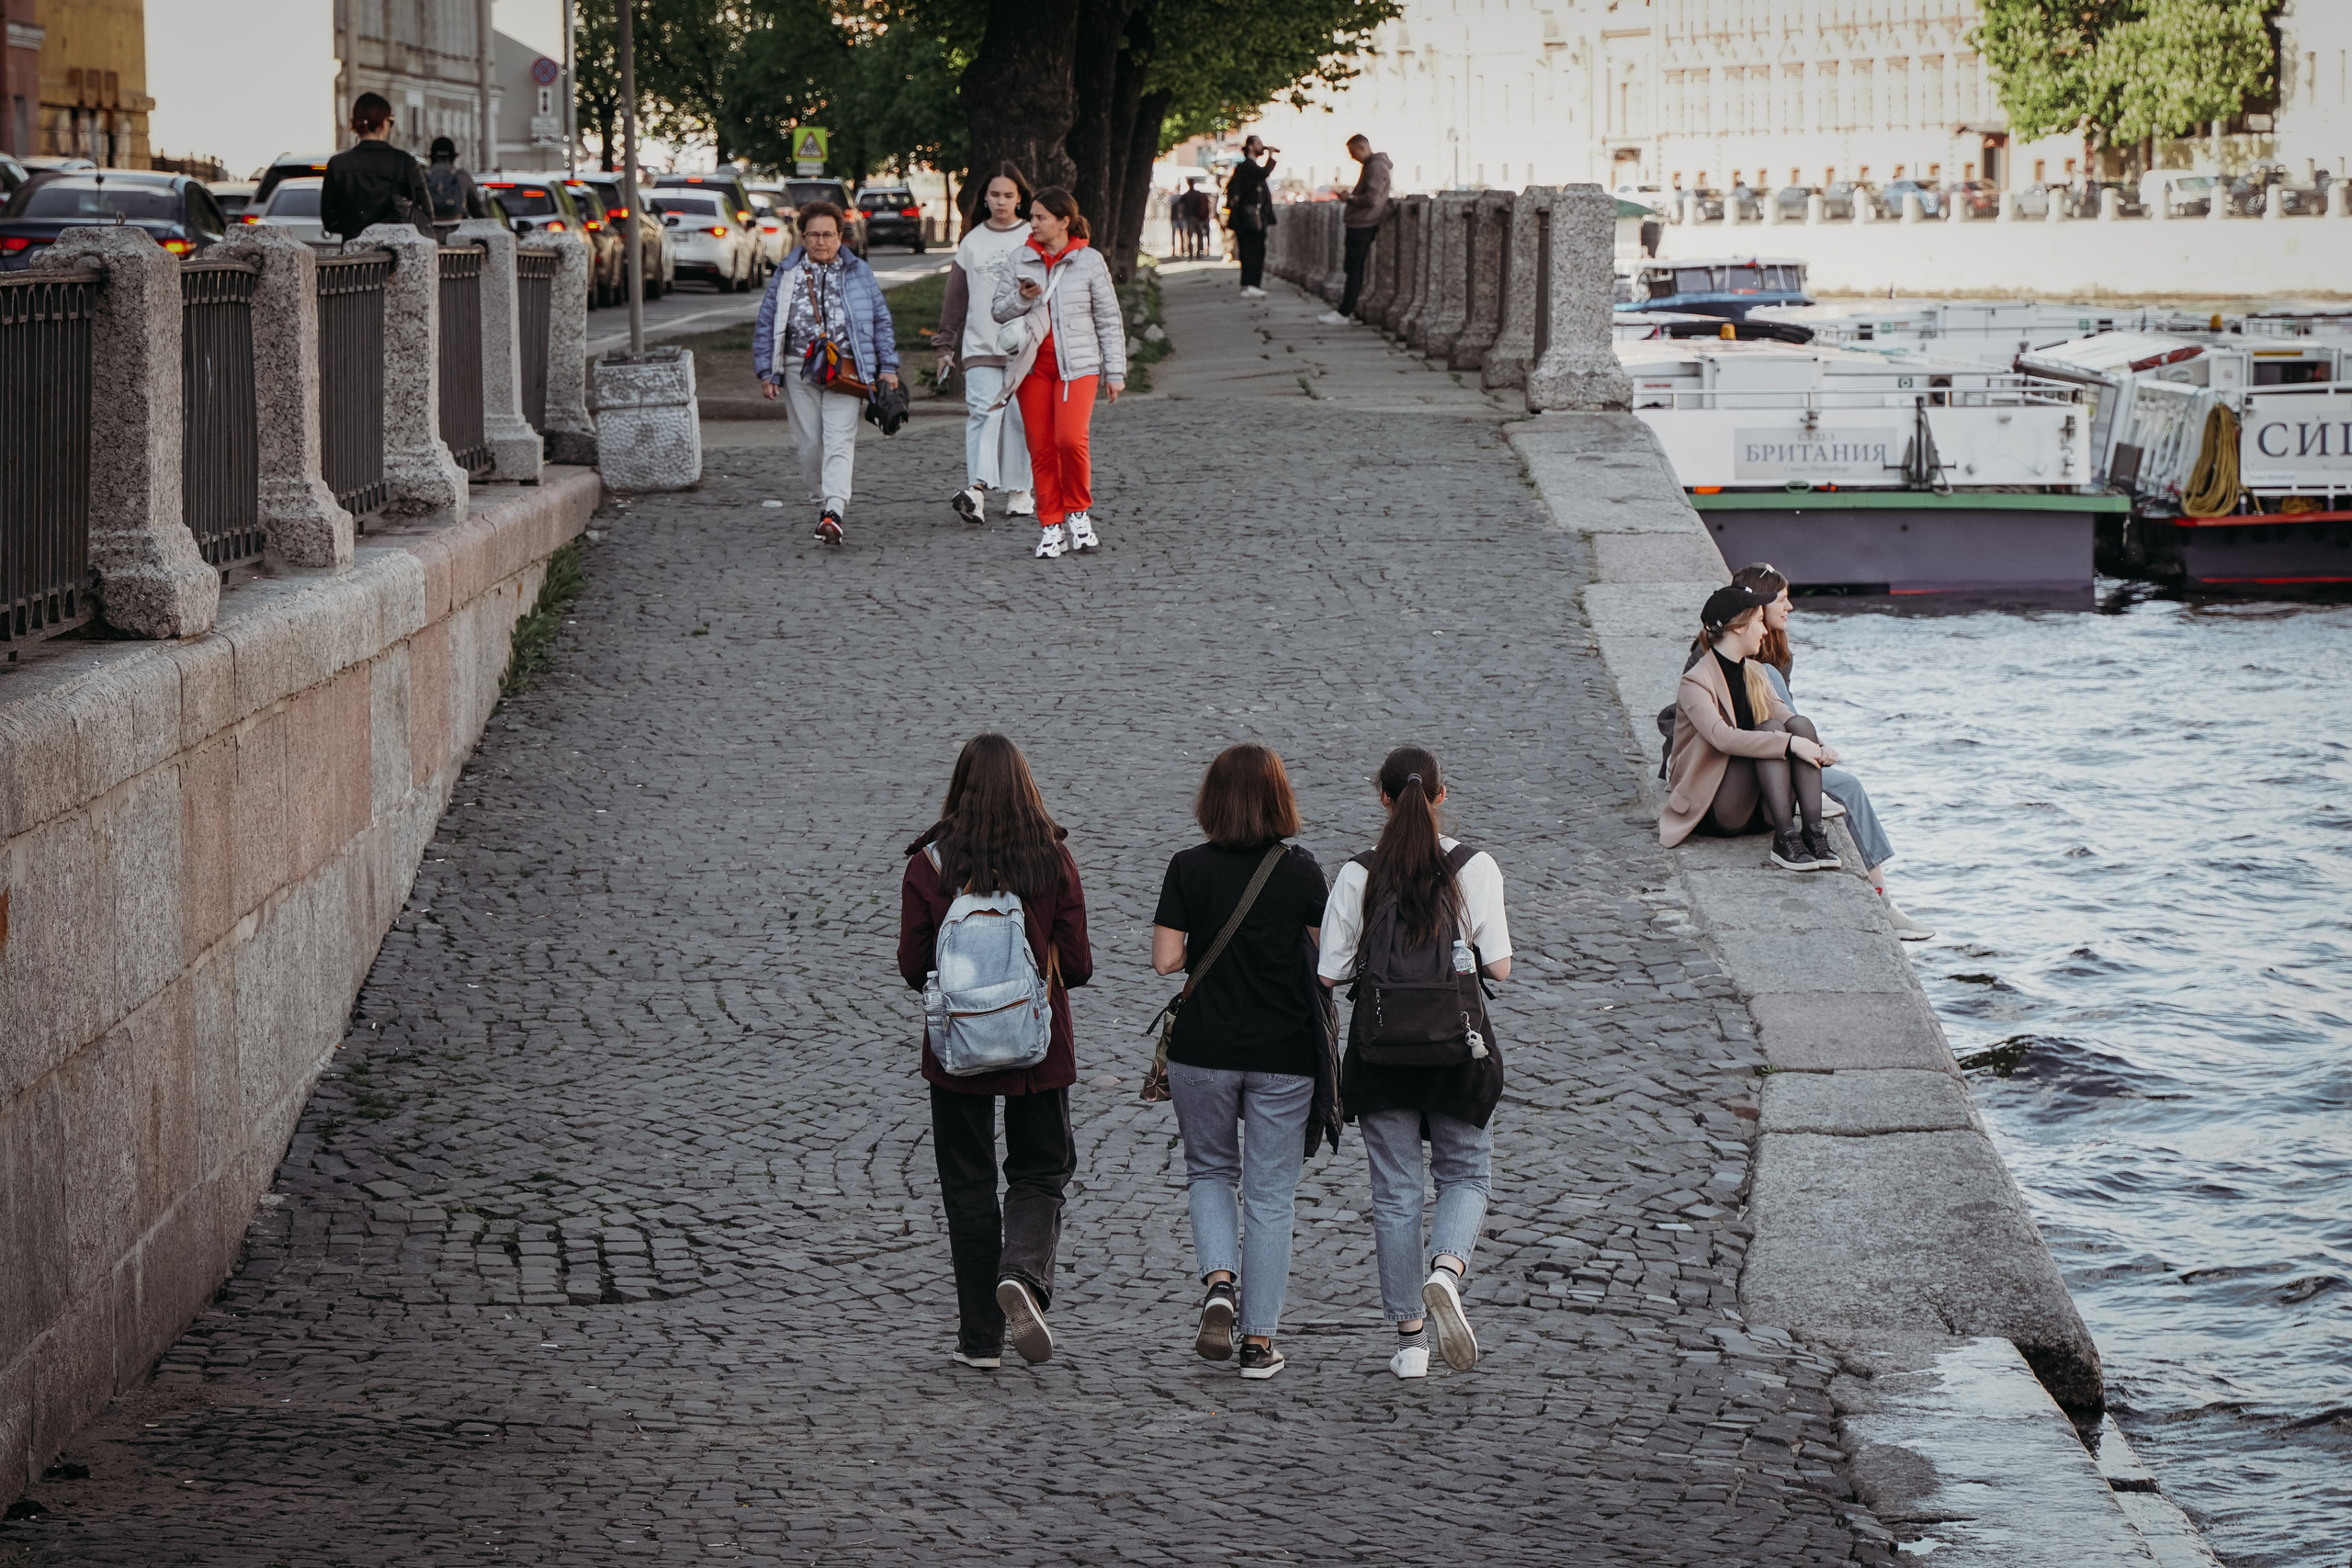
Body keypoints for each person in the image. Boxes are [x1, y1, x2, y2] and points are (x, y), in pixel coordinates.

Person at [898, 734, 1092, 1369]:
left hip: (957, 1049)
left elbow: (911, 965)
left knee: (968, 1185)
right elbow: (1080, 965)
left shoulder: (928, 864)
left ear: (959, 788)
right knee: (1041, 1169)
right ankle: (1022, 1270)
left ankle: (979, 1341)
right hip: (1038, 1049)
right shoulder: (1053, 860)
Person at [1318, 748, 1513, 1380]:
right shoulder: (1474, 866)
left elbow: (1330, 971)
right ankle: (1446, 1271)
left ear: (1381, 797)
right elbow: (1501, 965)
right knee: (1466, 1174)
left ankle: (1409, 1343)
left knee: (1396, 1192)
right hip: (1458, 1049)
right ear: (1441, 795)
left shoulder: (1358, 873)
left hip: (1381, 1054)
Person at [1151, 745, 1334, 1382]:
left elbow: (1166, 959)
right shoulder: (1303, 871)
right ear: (1279, 800)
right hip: (1284, 1052)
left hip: (1202, 1050)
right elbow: (1327, 962)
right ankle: (1258, 1342)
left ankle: (1220, 1283)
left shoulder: (1187, 867)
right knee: (1270, 1195)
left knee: (1208, 1170)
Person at [1730, 564, 1933, 938]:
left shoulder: (1779, 655)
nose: (1789, 607)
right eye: (1783, 599)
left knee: (1845, 784)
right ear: (1757, 606)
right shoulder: (1749, 664)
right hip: (1760, 761)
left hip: (1781, 752)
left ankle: (1885, 900)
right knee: (1849, 788)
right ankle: (1884, 905)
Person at [1659, 584, 1841, 871]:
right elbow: (1722, 738)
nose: (1765, 631)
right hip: (1718, 807)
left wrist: (1818, 748)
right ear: (1739, 627)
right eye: (1759, 622)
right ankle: (1785, 837)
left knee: (1798, 723)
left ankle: (1813, 834)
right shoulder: (1696, 681)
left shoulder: (1755, 672)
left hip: (1759, 805)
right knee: (1771, 730)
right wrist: (1791, 745)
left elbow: (1785, 716)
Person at [752, 200, 899, 547]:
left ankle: (834, 509)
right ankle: (821, 504)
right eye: (814, 235)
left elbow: (880, 320)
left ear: (840, 236)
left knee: (839, 439)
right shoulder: (786, 274)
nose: (821, 241)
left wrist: (888, 366)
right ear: (802, 237)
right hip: (797, 367)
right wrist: (767, 373)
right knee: (810, 444)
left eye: (828, 235)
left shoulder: (859, 271)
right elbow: (767, 324)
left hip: (848, 370)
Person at [990, 186, 1125, 561]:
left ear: (1064, 221)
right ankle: (1051, 526)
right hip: (1032, 367)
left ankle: (1079, 514)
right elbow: (998, 310)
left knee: (1070, 440)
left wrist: (1115, 371)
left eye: (1040, 218)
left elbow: (1109, 319)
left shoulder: (1090, 261)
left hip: (1078, 367)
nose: (1032, 224)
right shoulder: (1020, 258)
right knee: (1041, 447)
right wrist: (1023, 297)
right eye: (1031, 217)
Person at [933, 164, 1036, 527]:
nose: (1001, 201)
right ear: (985, 198)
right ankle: (976, 489)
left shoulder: (1032, 237)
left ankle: (1019, 488)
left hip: (1025, 345)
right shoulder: (972, 241)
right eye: (995, 195)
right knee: (983, 412)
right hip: (979, 343)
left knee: (1020, 418)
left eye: (1009, 195)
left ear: (1020, 198)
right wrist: (945, 344)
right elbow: (956, 299)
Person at [320, 93, 434, 243]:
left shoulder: (338, 164)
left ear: (355, 124)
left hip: (354, 251)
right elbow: (428, 213)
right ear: (384, 123)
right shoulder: (404, 161)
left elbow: (330, 221)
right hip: (396, 248)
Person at [1318, 134, 1391, 325]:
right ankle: (1348, 310)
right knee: (1353, 267)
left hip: (1364, 223)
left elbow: (1371, 199)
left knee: (1354, 269)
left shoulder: (1375, 166)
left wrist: (1349, 198)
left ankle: (1344, 312)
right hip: (1362, 223)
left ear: (1362, 148)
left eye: (1352, 152)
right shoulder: (1373, 165)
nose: (1352, 157)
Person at [1224, 136, 1277, 298]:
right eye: (1259, 144)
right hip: (1250, 218)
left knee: (1251, 249)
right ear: (1251, 147)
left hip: (1248, 217)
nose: (1263, 147)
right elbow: (1263, 173)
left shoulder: (1246, 167)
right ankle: (1250, 284)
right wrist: (1271, 156)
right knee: (1253, 250)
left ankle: (1249, 284)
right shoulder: (1248, 166)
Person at [423, 135, 489, 222]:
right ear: (453, 158)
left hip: (426, 231)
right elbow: (478, 210)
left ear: (431, 157)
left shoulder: (421, 177)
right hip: (457, 230)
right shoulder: (462, 177)